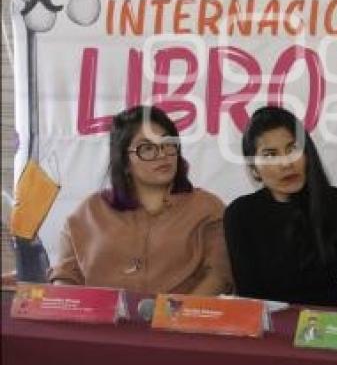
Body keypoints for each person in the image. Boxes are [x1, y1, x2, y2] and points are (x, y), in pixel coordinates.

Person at [49, 106, 232, 295]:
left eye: (168, 144)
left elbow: (220, 275)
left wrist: (178, 311)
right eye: (147, 148)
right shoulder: (89, 213)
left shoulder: (206, 208)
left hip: (183, 313)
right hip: (99, 314)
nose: (162, 154)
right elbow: (64, 277)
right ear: (124, 162)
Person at [224, 106, 337, 306]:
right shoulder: (240, 214)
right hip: (272, 323)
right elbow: (250, 296)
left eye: (292, 149)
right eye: (270, 155)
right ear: (254, 169)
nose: (286, 164)